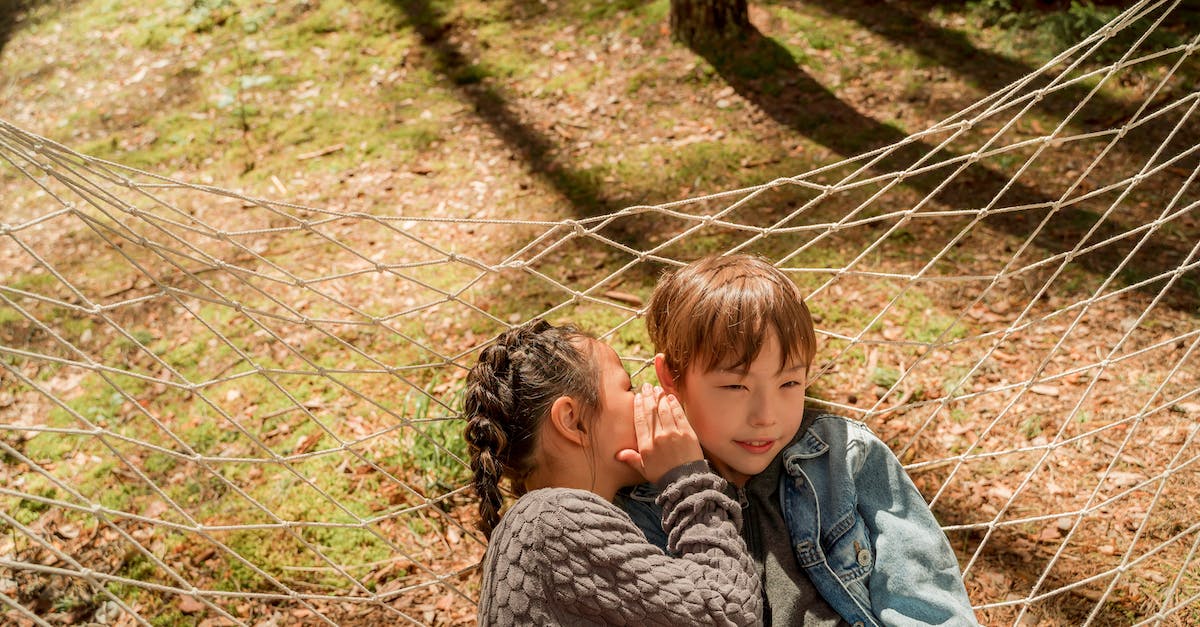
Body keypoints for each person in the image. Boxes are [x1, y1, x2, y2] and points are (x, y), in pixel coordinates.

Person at [617, 254, 978, 626]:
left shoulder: (843, 458)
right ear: (671, 377)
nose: (766, 416)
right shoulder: (647, 498)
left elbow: (925, 602)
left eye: (789, 383)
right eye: (735, 386)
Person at [463, 319, 762, 626]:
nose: (650, 394)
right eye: (628, 387)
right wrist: (688, 479)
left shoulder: (547, 525)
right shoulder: (551, 521)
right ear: (572, 420)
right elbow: (731, 611)